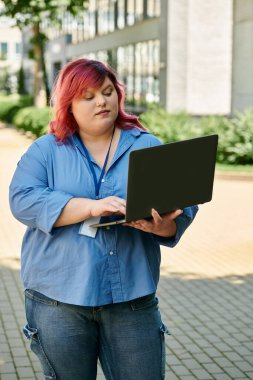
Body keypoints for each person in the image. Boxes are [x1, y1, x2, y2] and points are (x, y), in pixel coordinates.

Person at [9, 58, 198, 380]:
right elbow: (22, 200)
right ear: (69, 104)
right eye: (89, 96)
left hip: (132, 302)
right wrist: (89, 206)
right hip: (58, 302)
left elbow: (183, 205)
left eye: (108, 91)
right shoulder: (45, 150)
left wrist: (163, 226)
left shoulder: (148, 146)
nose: (102, 101)